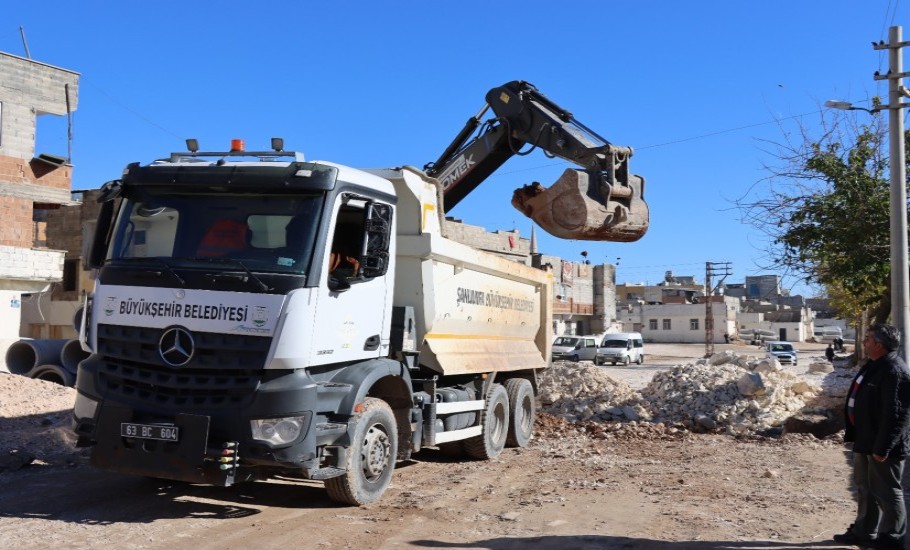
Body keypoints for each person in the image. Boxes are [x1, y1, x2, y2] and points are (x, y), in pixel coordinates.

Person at [834, 324, 910, 548]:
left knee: (887, 492)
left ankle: (892, 538)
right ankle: (864, 532)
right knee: (865, 487)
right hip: (865, 440)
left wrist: (883, 447)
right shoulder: (874, 365)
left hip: (883, 447)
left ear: (879, 345)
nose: (864, 342)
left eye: (868, 339)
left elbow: (897, 414)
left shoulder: (894, 371)